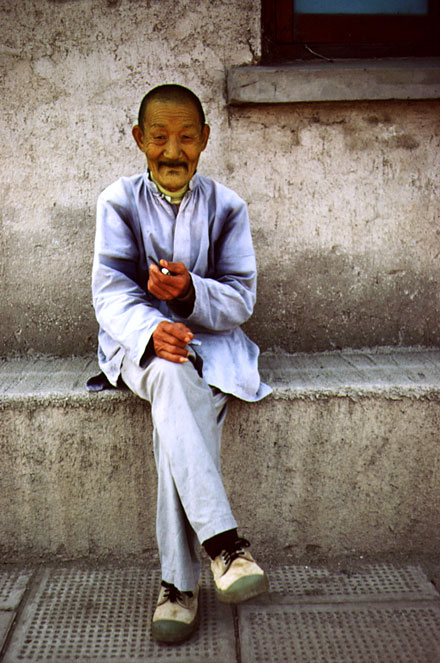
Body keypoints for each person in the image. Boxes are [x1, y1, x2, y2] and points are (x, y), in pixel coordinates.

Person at [91, 83, 271, 644]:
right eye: (160, 138)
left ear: (205, 141)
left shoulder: (228, 207)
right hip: (137, 345)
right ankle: (224, 546)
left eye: (187, 138)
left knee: (180, 405)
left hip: (210, 344)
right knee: (168, 371)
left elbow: (241, 298)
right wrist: (152, 328)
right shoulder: (118, 201)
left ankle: (178, 586)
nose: (173, 152)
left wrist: (192, 293)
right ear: (139, 139)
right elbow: (109, 293)